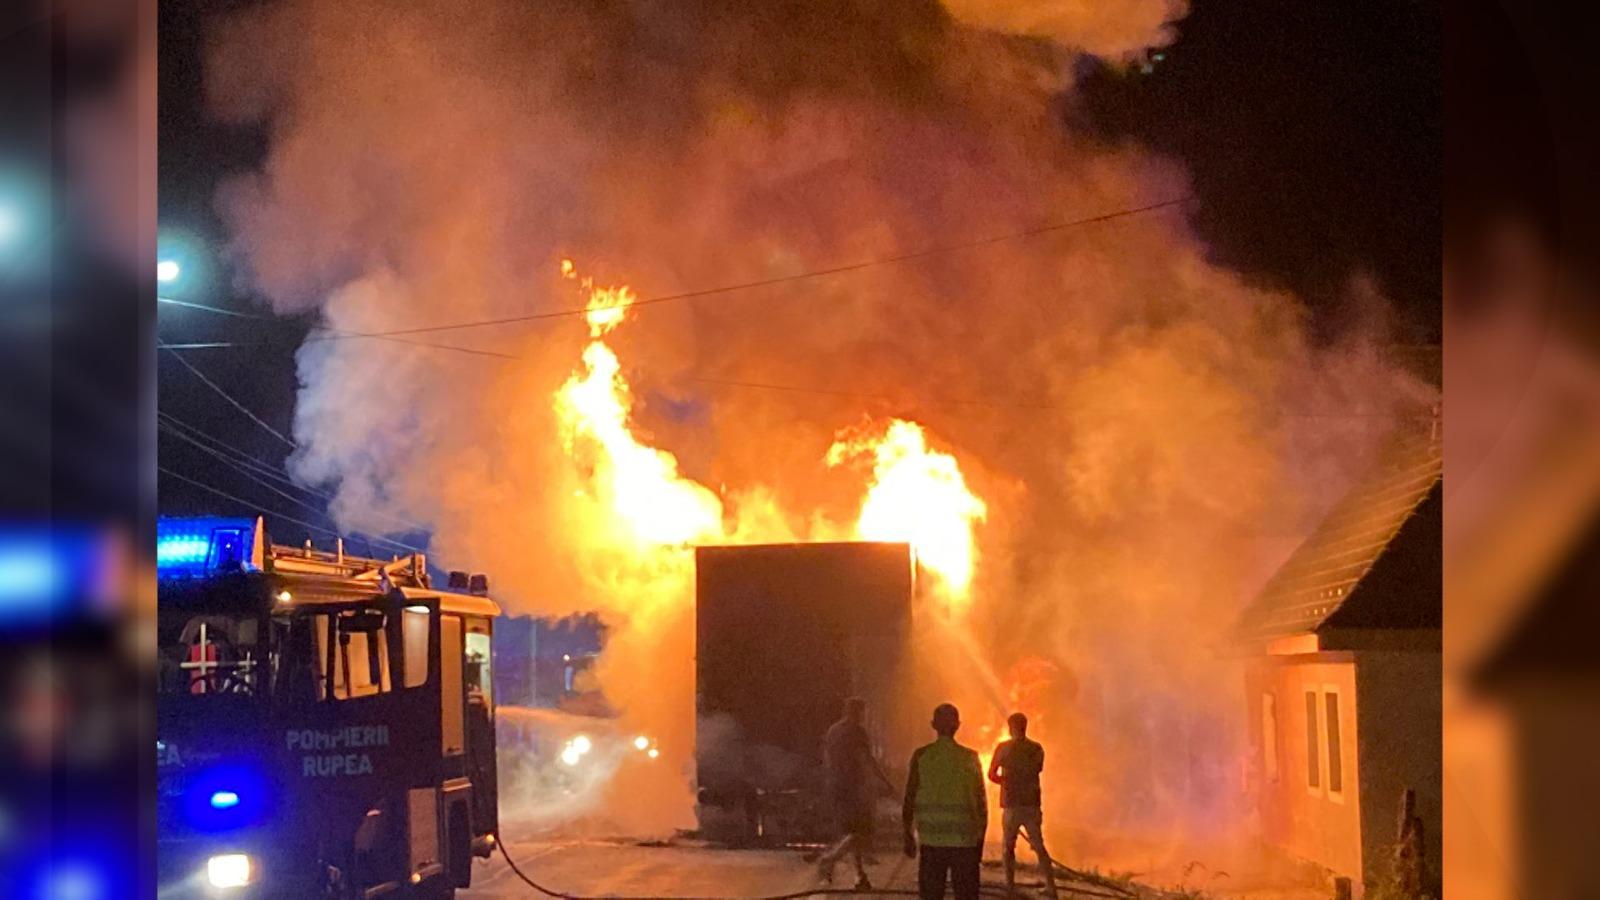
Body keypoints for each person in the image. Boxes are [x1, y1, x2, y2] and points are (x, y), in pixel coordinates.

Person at [903, 703, 987, 900]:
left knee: (931, 895)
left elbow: (910, 797)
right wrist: (979, 841)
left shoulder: (921, 756)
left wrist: (907, 834)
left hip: (932, 841)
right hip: (965, 842)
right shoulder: (971, 758)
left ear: (933, 725)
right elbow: (981, 803)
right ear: (958, 726)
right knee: (966, 895)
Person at [817, 697, 893, 888]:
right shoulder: (857, 731)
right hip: (853, 787)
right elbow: (867, 759)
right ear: (859, 712)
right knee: (861, 831)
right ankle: (830, 859)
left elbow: (826, 757)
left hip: (835, 785)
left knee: (849, 830)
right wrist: (885, 782)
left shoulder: (833, 730)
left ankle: (860, 876)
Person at [988, 712, 1059, 898]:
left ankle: (1010, 886)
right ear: (1025, 726)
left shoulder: (1003, 748)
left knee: (1008, 847)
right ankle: (1051, 887)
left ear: (1010, 727)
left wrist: (1005, 781)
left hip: (1011, 805)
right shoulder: (1036, 748)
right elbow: (1037, 768)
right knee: (1039, 845)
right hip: (1031, 804)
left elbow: (991, 774)